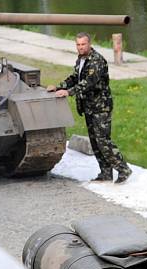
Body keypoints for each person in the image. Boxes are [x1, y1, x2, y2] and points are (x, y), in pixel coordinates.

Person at [47, 32, 131, 183]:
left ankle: (123, 169)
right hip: (89, 107)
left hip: (100, 107)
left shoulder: (96, 61)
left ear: (89, 44)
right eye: (78, 45)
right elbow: (75, 78)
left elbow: (88, 83)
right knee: (95, 142)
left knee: (103, 141)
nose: (80, 47)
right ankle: (105, 173)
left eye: (83, 44)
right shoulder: (81, 60)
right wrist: (59, 87)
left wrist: (68, 92)